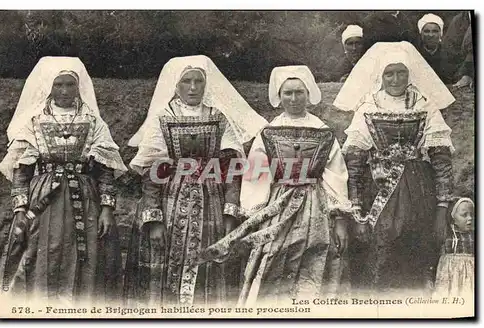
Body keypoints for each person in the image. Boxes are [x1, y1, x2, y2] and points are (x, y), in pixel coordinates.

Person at [196, 65, 353, 306]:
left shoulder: (322, 131)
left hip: (316, 204)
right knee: (272, 254)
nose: (293, 99)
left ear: (308, 94)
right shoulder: (269, 133)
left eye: (299, 92)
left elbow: (335, 175)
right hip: (277, 204)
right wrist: (255, 213)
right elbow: (256, 174)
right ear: (279, 97)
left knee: (316, 254)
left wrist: (339, 218)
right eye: (287, 93)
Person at [123, 55, 267, 307]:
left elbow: (231, 169)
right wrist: (153, 218)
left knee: (208, 267)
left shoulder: (219, 118)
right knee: (163, 263)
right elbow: (151, 171)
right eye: (186, 81)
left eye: (198, 81)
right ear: (175, 86)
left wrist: (230, 212)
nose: (192, 87)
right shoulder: (163, 118)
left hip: (210, 202)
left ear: (205, 85)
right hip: (169, 202)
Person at [0, 57, 127, 305]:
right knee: (39, 250)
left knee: (86, 253)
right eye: (58, 85)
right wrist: (20, 208)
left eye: (70, 85)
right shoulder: (34, 121)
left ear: (79, 87)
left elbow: (106, 169)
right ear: (49, 87)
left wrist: (107, 209)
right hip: (44, 200)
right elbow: (21, 171)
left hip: (85, 198)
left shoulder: (93, 121)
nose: (65, 91)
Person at [333, 42, 455, 294]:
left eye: (401, 72)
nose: (396, 79)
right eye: (389, 73)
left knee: (414, 256)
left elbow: (441, 161)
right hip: (375, 190)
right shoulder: (368, 107)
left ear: (410, 73)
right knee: (377, 258)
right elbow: (354, 166)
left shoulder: (424, 105)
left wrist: (442, 209)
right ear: (380, 76)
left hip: (419, 191)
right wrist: (357, 215)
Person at [434, 197, 474, 298]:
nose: (470, 218)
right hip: (450, 276)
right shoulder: (447, 234)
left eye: (472, 215)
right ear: (453, 218)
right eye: (464, 215)